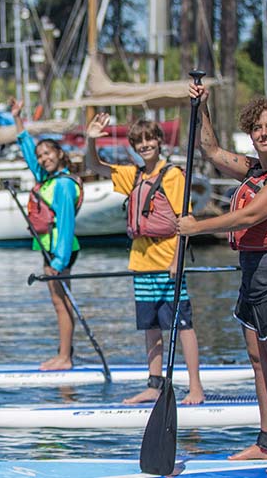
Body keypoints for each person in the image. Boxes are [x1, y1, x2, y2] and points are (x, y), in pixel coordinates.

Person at [182, 81, 267, 476]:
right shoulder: (256, 168)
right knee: (259, 362)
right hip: (253, 277)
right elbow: (209, 150)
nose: (264, 133)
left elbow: (249, 216)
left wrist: (197, 226)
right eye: (258, 127)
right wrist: (202, 108)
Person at [84, 114, 205, 405]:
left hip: (167, 263)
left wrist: (178, 260)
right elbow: (93, 166)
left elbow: (184, 220)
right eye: (138, 141)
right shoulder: (134, 175)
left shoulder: (173, 176)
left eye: (150, 139)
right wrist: (91, 139)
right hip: (141, 263)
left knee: (181, 325)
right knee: (150, 326)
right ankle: (154, 384)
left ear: (159, 141)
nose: (145, 145)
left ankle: (195, 386)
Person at [10, 97, 81, 371]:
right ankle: (64, 353)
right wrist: (18, 118)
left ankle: (65, 357)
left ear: (60, 154)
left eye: (48, 154)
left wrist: (58, 262)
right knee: (58, 302)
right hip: (50, 250)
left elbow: (65, 226)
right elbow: (28, 150)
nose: (43, 158)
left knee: (61, 302)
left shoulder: (62, 185)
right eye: (41, 157)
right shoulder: (46, 180)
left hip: (60, 252)